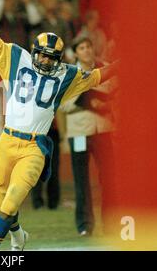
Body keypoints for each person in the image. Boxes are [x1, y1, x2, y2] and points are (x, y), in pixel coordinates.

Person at [0, 0, 117, 251]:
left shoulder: (67, 75)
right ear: (34, 51)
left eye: (52, 58)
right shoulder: (16, 57)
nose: (47, 62)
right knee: (2, 205)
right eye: (43, 56)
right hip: (6, 141)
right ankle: (18, 236)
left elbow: (97, 76)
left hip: (34, 147)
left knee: (12, 202)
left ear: (59, 59)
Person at [59, 36, 116, 236]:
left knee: (109, 178)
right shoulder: (68, 73)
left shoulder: (106, 67)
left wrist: (104, 104)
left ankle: (111, 223)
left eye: (88, 46)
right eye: (81, 48)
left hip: (103, 130)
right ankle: (84, 225)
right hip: (79, 132)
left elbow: (117, 94)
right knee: (81, 180)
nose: (86, 50)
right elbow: (63, 104)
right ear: (75, 53)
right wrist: (88, 100)